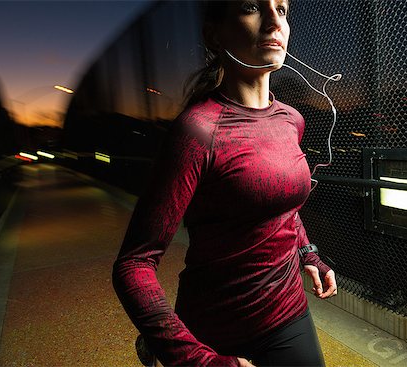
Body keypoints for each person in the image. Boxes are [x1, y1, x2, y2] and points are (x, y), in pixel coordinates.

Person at [112, 1, 338, 366]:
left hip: (289, 313)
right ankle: (159, 341)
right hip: (216, 329)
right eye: (252, 7)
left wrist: (307, 252)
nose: (273, 22)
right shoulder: (198, 131)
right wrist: (196, 360)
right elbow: (134, 264)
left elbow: (282, 205)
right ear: (214, 34)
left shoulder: (291, 120)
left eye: (281, 9)